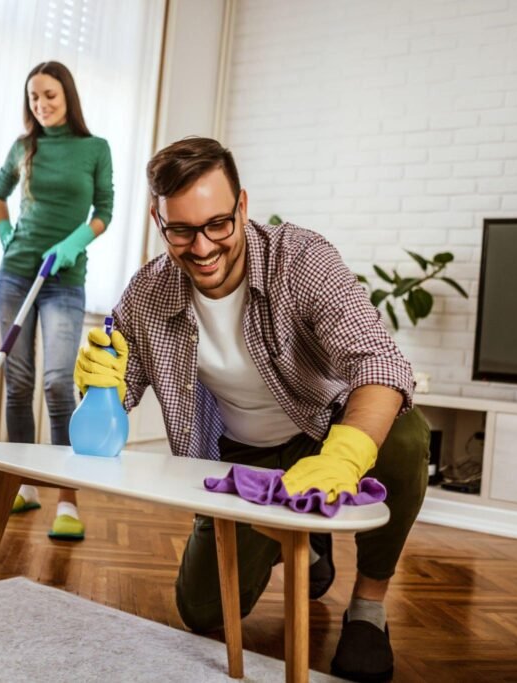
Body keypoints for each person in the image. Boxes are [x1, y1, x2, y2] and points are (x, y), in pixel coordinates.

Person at [74, 137, 429, 682]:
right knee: (203, 611)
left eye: (219, 224)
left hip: (321, 433)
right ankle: (304, 545)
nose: (203, 247)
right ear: (157, 219)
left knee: (406, 436)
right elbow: (115, 402)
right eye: (182, 230)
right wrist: (99, 385)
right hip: (240, 459)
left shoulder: (301, 260)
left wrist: (345, 456)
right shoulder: (146, 295)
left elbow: (381, 363)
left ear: (242, 206)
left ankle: (368, 607)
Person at [0, 61, 113, 541]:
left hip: (65, 279)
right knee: (17, 383)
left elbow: (105, 209)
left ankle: (67, 498)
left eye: (50, 96)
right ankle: (23, 485)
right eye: (34, 97)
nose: (41, 105)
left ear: (69, 98)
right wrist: (5, 235)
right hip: (17, 274)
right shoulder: (24, 147)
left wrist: (75, 242)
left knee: (59, 382)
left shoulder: (95, 149)